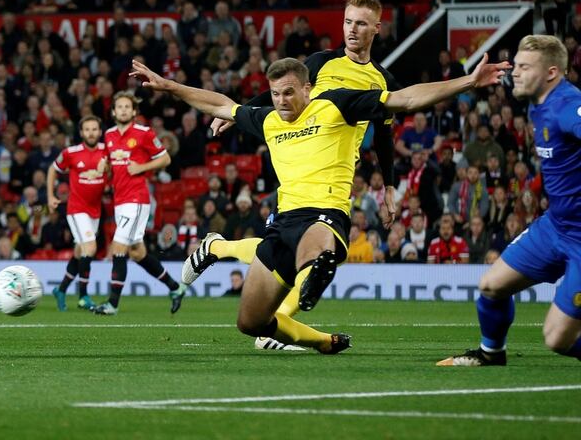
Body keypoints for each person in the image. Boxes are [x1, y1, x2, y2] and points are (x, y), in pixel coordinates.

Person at [131, 52, 508, 354]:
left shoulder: (336, 105)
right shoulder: (267, 120)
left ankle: (316, 268)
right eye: (276, 94)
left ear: (307, 88)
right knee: (250, 323)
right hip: (282, 224)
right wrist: (168, 87)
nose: (281, 101)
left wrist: (468, 81)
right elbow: (219, 104)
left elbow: (405, 98)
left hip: (325, 214)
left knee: (317, 248)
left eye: (289, 93)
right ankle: (321, 340)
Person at [188, 0, 402, 351]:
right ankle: (272, 326)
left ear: (376, 29)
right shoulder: (321, 63)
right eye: (348, 21)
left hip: (340, 165)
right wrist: (235, 114)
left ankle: (220, 249)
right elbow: (281, 88)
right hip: (302, 153)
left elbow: (384, 133)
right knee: (308, 247)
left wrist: (390, 186)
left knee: (301, 248)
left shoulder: (382, 79)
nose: (352, 30)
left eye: (361, 24)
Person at [439, 35, 581, 366]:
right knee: (491, 286)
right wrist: (474, 81)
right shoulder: (538, 100)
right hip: (555, 226)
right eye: (515, 65)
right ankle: (492, 353)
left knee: (558, 339)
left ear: (551, 72)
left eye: (523, 67)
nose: (514, 72)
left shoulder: (566, 107)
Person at [92, 91, 186, 315]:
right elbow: (108, 161)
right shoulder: (110, 135)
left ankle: (112, 304)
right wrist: (102, 166)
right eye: (119, 107)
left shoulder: (144, 133)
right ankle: (176, 288)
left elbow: (165, 158)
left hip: (137, 199)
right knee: (137, 252)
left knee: (119, 247)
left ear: (134, 111)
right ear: (114, 112)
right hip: (120, 199)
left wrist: (141, 168)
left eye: (127, 107)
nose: (123, 110)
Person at [47, 115, 106, 312]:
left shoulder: (107, 152)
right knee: (90, 247)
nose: (91, 133)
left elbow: (112, 175)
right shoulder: (71, 153)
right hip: (76, 209)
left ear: (99, 131)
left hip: (95, 211)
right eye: (87, 129)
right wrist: (50, 196)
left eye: (94, 129)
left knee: (81, 252)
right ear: (81, 133)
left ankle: (61, 289)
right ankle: (83, 296)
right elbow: (53, 170)